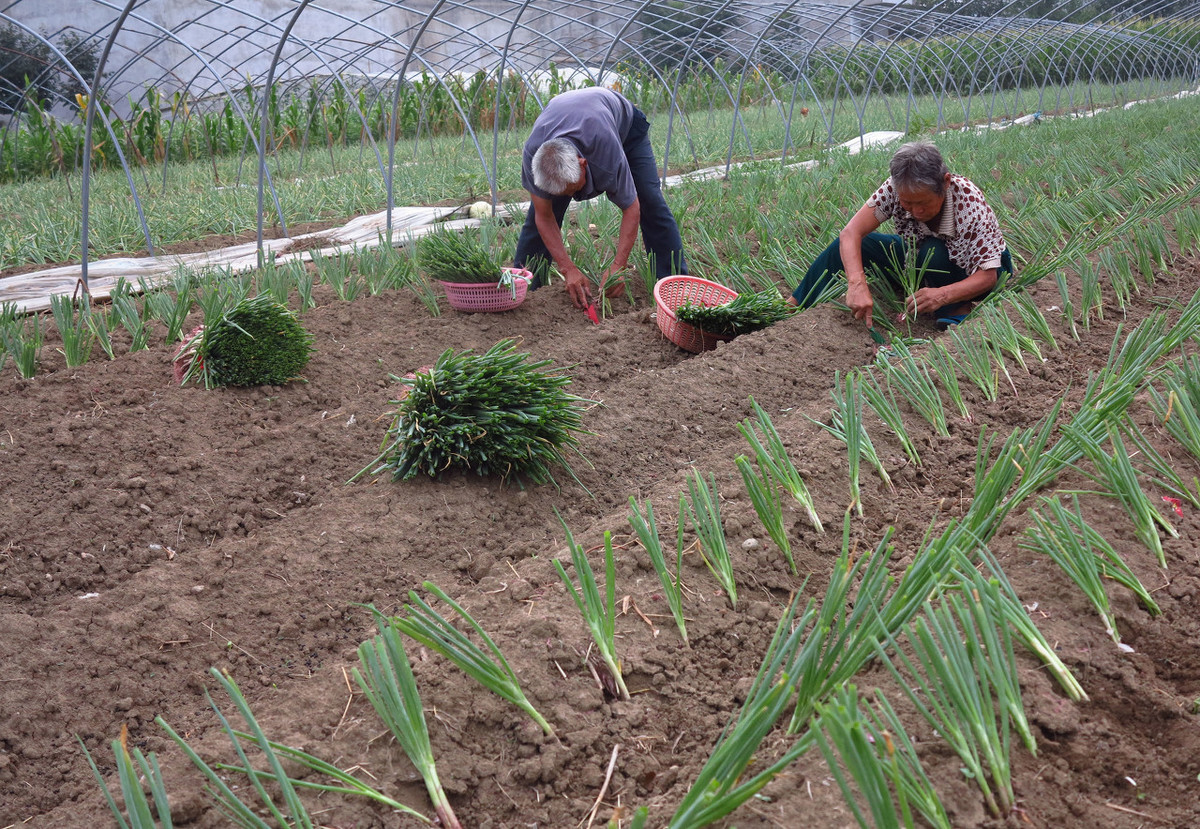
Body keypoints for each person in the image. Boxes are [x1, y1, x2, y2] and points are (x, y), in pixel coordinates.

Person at [790, 140, 1013, 330]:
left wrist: (941, 295)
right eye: (907, 203)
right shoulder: (897, 188)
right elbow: (851, 233)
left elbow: (988, 276)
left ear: (945, 183)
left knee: (932, 252)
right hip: (916, 257)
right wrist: (856, 284)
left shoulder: (969, 202)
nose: (915, 212)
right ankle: (793, 304)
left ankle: (956, 308)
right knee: (859, 245)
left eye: (923, 203)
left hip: (975, 269)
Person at [514, 87, 687, 310]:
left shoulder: (605, 151)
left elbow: (631, 208)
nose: (573, 198)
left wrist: (618, 266)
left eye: (573, 189)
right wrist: (568, 269)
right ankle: (524, 291)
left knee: (649, 200)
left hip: (624, 128)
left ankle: (675, 285)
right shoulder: (534, 156)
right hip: (570, 125)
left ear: (583, 164)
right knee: (540, 215)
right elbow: (543, 216)